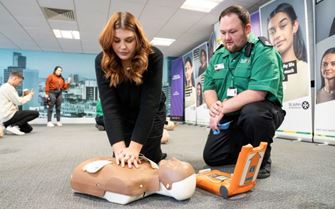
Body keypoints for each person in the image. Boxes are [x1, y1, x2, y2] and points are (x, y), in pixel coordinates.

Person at [203, 5, 286, 179]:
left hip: (262, 110)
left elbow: (257, 93)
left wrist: (221, 108)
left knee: (252, 113)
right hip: (232, 114)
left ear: (247, 28)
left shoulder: (263, 51)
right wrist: (214, 106)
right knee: (212, 157)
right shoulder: (218, 55)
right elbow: (209, 87)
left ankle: (262, 159)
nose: (227, 38)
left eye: (232, 32)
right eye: (223, 32)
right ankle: (248, 146)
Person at [95, 12, 166, 168]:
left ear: (138, 39)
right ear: (109, 40)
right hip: (122, 112)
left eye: (129, 40)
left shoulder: (154, 57)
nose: (122, 47)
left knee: (149, 160)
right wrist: (119, 150)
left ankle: (160, 137)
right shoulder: (102, 61)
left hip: (150, 111)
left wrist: (134, 148)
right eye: (116, 40)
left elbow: (149, 106)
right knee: (123, 162)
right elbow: (109, 107)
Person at [70, 156, 196, 204]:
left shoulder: (132, 184)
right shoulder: (151, 166)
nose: (174, 160)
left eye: (175, 166)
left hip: (88, 169)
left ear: (168, 184)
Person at [267, 2, 309, 101]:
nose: (277, 35)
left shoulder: (306, 71)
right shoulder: (267, 77)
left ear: (294, 26)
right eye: (272, 32)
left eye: (283, 26)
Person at [0, 71, 39, 135]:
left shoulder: (6, 87)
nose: (19, 84)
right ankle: (13, 126)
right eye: (19, 82)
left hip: (7, 116)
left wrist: (25, 96)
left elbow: (15, 100)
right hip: (9, 115)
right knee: (35, 113)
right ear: (14, 78)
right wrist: (30, 95)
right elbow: (19, 102)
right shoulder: (8, 88)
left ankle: (7, 127)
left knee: (28, 129)